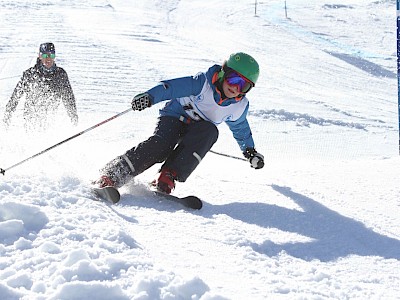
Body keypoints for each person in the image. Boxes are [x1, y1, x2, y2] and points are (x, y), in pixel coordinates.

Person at [96, 52, 264, 194]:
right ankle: (113, 174)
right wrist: (149, 97)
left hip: (197, 131)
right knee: (162, 145)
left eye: (243, 86)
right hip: (174, 117)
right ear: (222, 72)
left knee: (211, 132)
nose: (235, 88)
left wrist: (250, 151)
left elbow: (241, 129)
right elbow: (171, 87)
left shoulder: (238, 106)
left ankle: (168, 174)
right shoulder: (202, 83)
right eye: (233, 79)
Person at [3, 42, 78, 130]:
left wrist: (74, 117)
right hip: (31, 117)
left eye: (52, 55)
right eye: (45, 55)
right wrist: (7, 117)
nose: (48, 59)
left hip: (50, 116)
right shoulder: (30, 74)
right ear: (40, 56)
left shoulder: (60, 74)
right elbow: (15, 97)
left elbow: (68, 98)